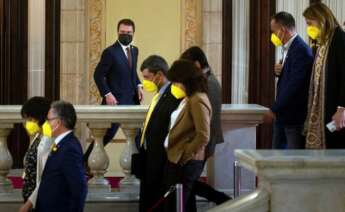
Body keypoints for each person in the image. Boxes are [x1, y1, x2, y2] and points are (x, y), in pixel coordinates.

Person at [85, 18, 143, 162]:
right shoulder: (110, 52)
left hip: (132, 100)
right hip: (114, 102)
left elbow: (132, 72)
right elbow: (98, 75)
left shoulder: (135, 50)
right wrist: (107, 94)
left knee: (138, 137)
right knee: (106, 135)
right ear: (117, 32)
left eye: (129, 32)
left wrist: (139, 85)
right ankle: (84, 163)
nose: (126, 35)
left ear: (133, 33)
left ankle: (139, 170)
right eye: (122, 32)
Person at [180, 46, 231, 206]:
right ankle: (220, 199)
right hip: (199, 142)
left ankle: (221, 199)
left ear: (196, 64)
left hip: (202, 143)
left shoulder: (210, 84)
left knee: (186, 183)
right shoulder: (204, 80)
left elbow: (207, 120)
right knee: (187, 183)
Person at [163, 59, 211, 212]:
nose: (175, 86)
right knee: (186, 204)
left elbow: (203, 135)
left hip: (186, 161)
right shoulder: (190, 97)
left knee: (176, 205)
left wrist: (184, 155)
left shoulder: (197, 100)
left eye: (176, 82)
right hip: (177, 158)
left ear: (185, 80)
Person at [136, 55, 182, 212]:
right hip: (150, 157)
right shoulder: (160, 93)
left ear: (160, 75)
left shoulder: (174, 95)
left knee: (157, 200)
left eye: (147, 77)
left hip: (161, 158)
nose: (145, 82)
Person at [263, 12, 314, 149]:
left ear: (283, 30)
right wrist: (277, 71)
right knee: (277, 158)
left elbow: (294, 85)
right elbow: (288, 76)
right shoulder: (288, 47)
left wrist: (274, 109)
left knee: (292, 162)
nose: (273, 35)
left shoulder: (301, 50)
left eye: (274, 31)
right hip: (283, 115)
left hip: (293, 117)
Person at [303, 3, 345, 148]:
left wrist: (342, 109)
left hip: (334, 107)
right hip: (322, 107)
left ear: (322, 18)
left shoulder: (339, 38)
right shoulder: (322, 41)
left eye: (310, 23)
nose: (308, 27)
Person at [35, 100, 87, 212]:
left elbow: (79, 188)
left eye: (49, 120)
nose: (46, 124)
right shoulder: (61, 143)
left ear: (58, 122)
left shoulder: (69, 148)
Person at [19, 97, 52, 212]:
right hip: (31, 198)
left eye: (29, 119)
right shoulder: (38, 136)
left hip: (38, 200)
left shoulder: (49, 140)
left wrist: (28, 204)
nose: (26, 123)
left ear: (40, 117)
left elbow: (45, 178)